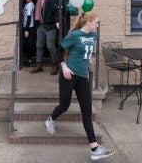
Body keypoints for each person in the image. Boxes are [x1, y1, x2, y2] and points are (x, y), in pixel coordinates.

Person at [44, 12, 115, 161]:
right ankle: (50, 119)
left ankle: (94, 149)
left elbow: (87, 53)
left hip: (83, 76)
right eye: (96, 22)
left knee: (87, 112)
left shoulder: (93, 36)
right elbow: (57, 51)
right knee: (64, 105)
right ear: (88, 22)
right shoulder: (74, 35)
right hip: (68, 74)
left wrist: (87, 61)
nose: (97, 25)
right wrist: (63, 66)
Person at [30, 0, 60, 75]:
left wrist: (57, 21)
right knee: (39, 45)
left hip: (50, 26)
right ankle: (39, 65)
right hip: (41, 26)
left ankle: (56, 64)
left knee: (50, 46)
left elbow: (56, 11)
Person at [23, 0, 36, 67]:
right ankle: (28, 59)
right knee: (26, 44)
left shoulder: (30, 5)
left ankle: (30, 59)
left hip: (30, 27)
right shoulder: (26, 5)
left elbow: (28, 17)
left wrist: (27, 29)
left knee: (29, 44)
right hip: (25, 26)